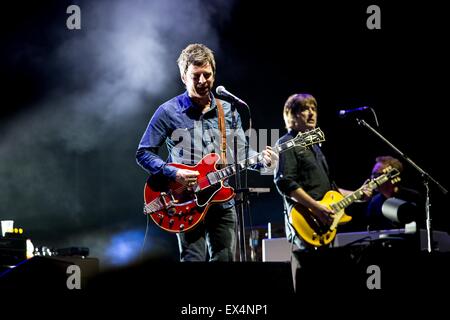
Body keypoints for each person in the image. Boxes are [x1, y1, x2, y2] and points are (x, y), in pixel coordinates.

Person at [136, 43, 276, 262]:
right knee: (194, 260)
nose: (202, 81)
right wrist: (174, 173)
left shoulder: (227, 109)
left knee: (225, 259)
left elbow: (240, 152)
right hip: (185, 200)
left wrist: (263, 160)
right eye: (195, 76)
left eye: (207, 75)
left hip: (222, 199)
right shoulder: (168, 111)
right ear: (183, 76)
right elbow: (144, 153)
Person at [273, 93, 371, 250]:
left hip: (325, 224)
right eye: (305, 109)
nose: (312, 113)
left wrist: (358, 194)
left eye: (314, 108)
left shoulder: (315, 146)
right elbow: (284, 182)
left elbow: (331, 190)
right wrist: (316, 208)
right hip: (306, 223)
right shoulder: (286, 143)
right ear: (292, 115)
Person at [365, 156, 422, 231]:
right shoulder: (375, 202)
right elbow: (371, 231)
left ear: (391, 175)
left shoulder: (412, 196)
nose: (372, 179)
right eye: (372, 175)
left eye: (376, 175)